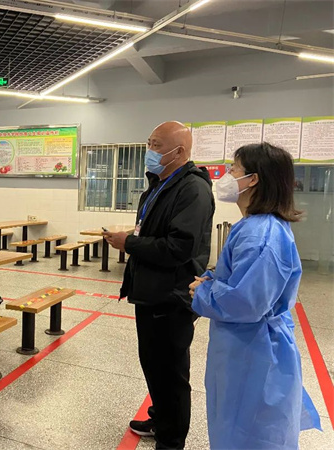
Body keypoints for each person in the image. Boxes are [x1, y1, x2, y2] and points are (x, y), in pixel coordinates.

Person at [190, 142, 321, 449]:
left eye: (233, 168)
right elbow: (244, 280)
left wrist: (203, 291)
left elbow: (247, 302)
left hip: (254, 352)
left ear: (253, 179)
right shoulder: (253, 226)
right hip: (244, 347)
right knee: (234, 425)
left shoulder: (261, 234)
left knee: (250, 432)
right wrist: (214, 279)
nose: (226, 175)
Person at [105, 121, 215, 449]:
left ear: (179, 152)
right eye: (149, 143)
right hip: (151, 293)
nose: (149, 151)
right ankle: (160, 418)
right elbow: (155, 231)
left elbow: (178, 247)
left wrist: (129, 243)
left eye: (156, 145)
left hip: (172, 297)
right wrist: (133, 237)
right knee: (154, 365)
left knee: (171, 373)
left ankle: (171, 440)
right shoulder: (161, 183)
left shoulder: (192, 189)